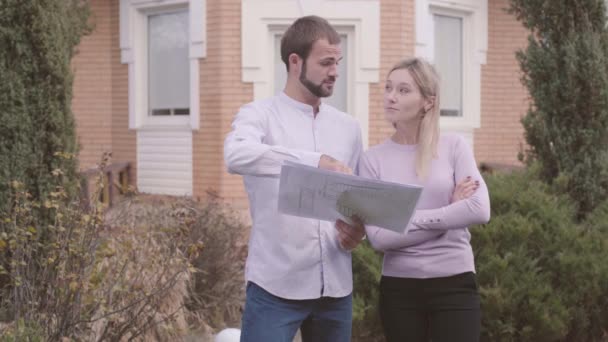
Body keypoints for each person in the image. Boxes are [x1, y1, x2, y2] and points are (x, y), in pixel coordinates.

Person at [223, 15, 366, 342]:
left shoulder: (349, 128)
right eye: (326, 62)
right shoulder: (258, 115)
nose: (335, 72)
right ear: (294, 61)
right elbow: (236, 155)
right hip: (275, 288)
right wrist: (315, 162)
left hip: (336, 290)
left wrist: (357, 230)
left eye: (338, 62)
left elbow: (354, 198)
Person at [351, 57, 491, 342]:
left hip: (455, 283)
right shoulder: (371, 160)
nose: (391, 97)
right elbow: (379, 238)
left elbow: (479, 209)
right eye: (389, 88)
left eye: (403, 90)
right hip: (400, 289)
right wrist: (450, 213)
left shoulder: (454, 146)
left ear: (428, 102)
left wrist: (408, 220)